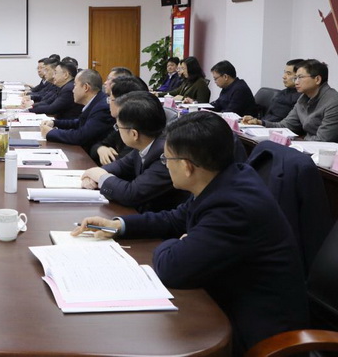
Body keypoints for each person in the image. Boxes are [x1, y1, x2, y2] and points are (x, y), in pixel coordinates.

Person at [72, 112, 308, 355]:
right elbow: (175, 218)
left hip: (254, 334)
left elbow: (172, 268)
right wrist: (119, 225)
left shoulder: (233, 207)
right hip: (220, 299)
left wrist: (178, 243)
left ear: (186, 166)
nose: (165, 164)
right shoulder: (225, 178)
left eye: (167, 158)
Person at [80, 91, 189, 212]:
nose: (117, 131)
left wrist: (101, 177)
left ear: (134, 134)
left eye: (118, 127)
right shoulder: (146, 143)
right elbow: (121, 165)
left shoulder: (165, 154)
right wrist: (94, 175)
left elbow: (132, 194)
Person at [243, 59, 338, 141]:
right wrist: (261, 123)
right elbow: (285, 126)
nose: (296, 82)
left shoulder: (333, 102)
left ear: (317, 79)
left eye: (300, 77)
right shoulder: (303, 98)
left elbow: (323, 139)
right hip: (307, 144)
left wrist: (295, 142)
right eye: (296, 78)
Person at [39, 69, 114, 152]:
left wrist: (51, 132)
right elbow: (78, 122)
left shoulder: (102, 108)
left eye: (75, 85)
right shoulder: (96, 101)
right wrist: (54, 123)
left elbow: (81, 136)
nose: (73, 90)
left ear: (86, 87)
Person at [89, 76, 150, 165]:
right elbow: (96, 146)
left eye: (110, 99)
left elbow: (122, 165)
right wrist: (101, 149)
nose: (108, 103)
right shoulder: (121, 123)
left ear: (124, 102)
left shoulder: (138, 130)